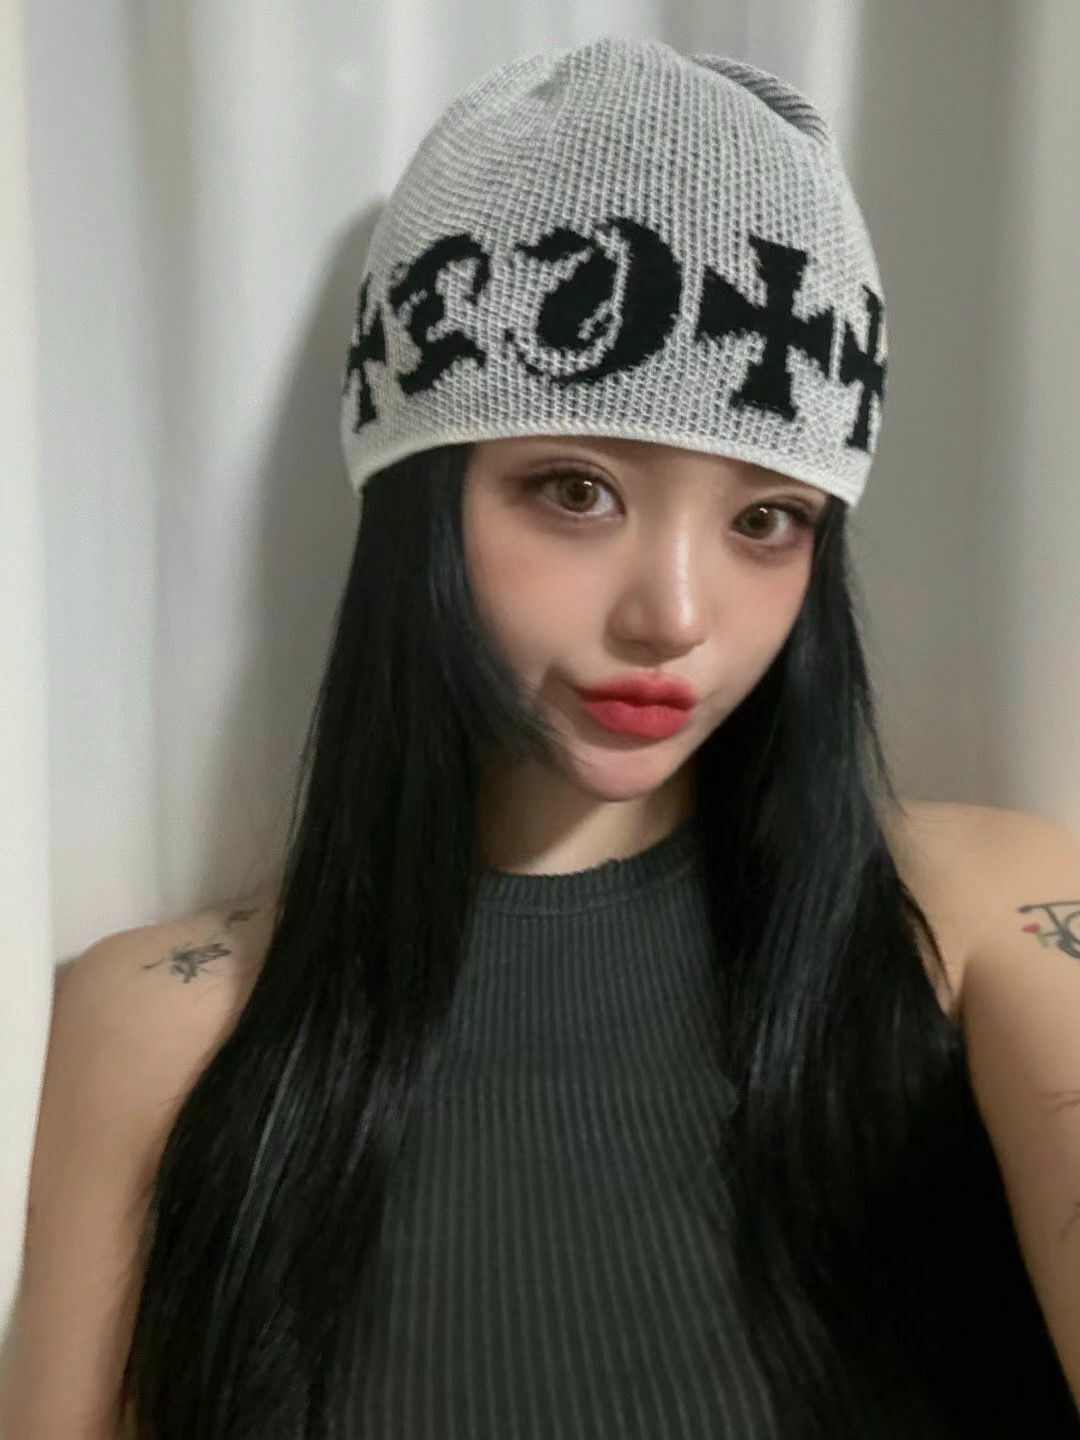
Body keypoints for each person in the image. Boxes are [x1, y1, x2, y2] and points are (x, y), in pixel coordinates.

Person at [7, 35, 1080, 1440]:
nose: (675, 615)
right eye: (575, 489)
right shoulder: (155, 1022)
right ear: (419, 497)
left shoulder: (981, 918)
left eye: (768, 519)